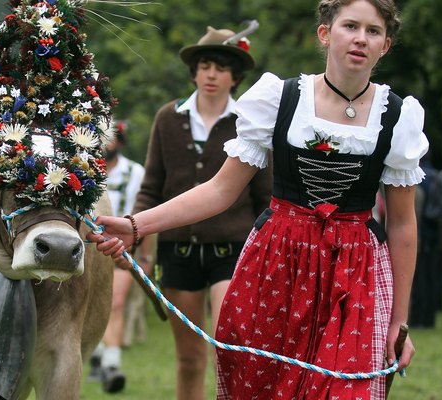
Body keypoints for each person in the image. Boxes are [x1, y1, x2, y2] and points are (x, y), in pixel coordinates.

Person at [88, 0, 423, 398]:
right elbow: (219, 189)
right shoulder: (280, 99)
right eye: (350, 26)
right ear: (325, 33)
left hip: (355, 272)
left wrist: (398, 321)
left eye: (373, 31)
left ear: (385, 45)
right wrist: (136, 225)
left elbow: (402, 224)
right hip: (278, 265)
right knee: (265, 387)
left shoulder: (398, 118)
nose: (360, 39)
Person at [125, 25, 272, 400]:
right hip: (178, 251)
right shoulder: (167, 117)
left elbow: (266, 197)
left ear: (235, 76)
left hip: (234, 252)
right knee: (189, 358)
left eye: (221, 68)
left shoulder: (250, 122)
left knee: (230, 347)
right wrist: (134, 233)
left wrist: (269, 253)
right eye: (205, 65)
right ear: (194, 71)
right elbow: (151, 187)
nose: (211, 74)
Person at [88, 121, 153, 393]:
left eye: (113, 138)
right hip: (90, 247)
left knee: (115, 302)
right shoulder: (85, 170)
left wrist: (145, 255)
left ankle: (111, 365)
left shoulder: (135, 173)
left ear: (121, 142)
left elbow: (146, 211)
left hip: (124, 248)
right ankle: (96, 354)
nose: (108, 143)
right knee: (92, 304)